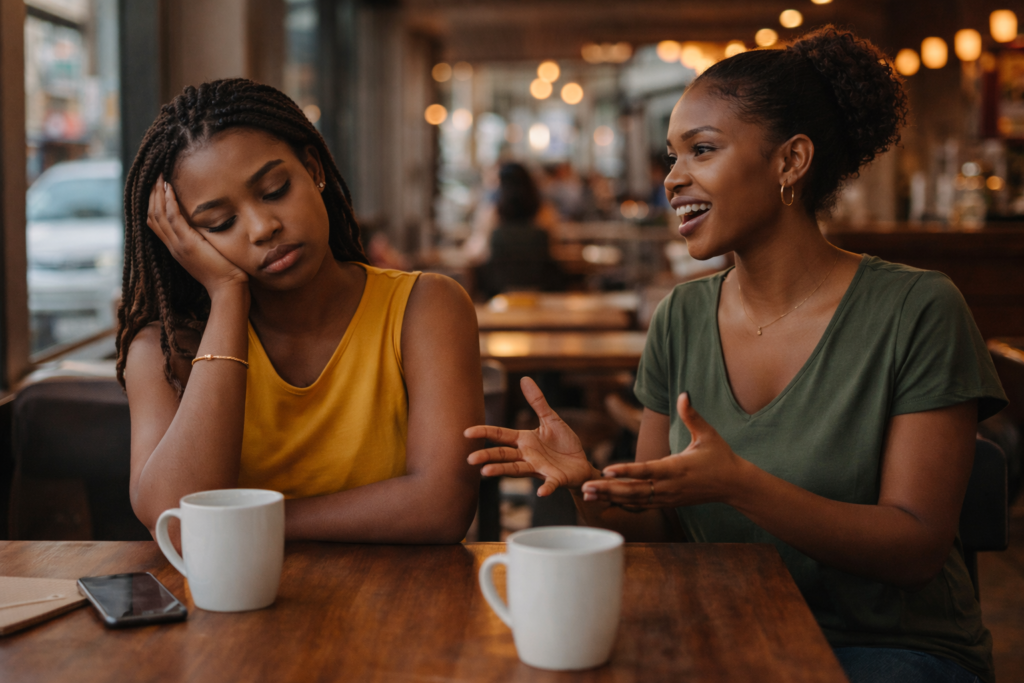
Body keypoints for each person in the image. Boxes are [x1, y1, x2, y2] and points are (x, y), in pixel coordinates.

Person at [466, 26, 1005, 683]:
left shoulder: (918, 310)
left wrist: (740, 486)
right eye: (671, 156)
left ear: (790, 161)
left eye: (702, 149)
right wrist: (590, 487)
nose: (672, 178)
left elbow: (916, 546)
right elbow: (659, 525)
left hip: (886, 650)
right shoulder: (681, 317)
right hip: (721, 625)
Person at [117, 78, 482, 543]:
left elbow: (443, 505)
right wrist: (228, 294)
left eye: (274, 190)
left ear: (313, 169)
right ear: (184, 242)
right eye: (220, 223)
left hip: (400, 607)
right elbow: (174, 518)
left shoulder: (426, 307)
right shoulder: (166, 351)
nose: (263, 227)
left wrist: (243, 525)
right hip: (228, 611)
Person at [476, 162, 565, 298]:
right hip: (541, 291)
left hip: (498, 293)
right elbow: (555, 249)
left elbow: (478, 252)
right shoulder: (546, 213)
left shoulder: (491, 215)